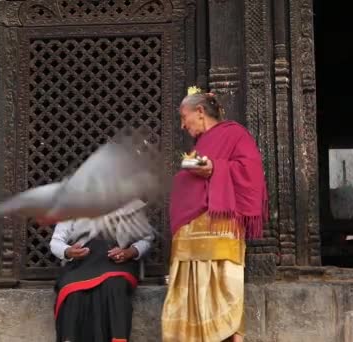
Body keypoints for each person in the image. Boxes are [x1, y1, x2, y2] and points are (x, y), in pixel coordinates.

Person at [161, 87, 268, 342]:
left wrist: (215, 168)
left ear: (200, 112)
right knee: (190, 292)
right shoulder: (200, 144)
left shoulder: (235, 134)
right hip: (191, 230)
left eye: (183, 116)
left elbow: (251, 172)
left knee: (224, 291)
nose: (182, 124)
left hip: (221, 227)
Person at [50, 202, 154, 342]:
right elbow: (56, 242)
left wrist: (130, 251)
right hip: (82, 261)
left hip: (118, 260)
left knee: (114, 285)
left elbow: (147, 239)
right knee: (73, 290)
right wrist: (68, 251)